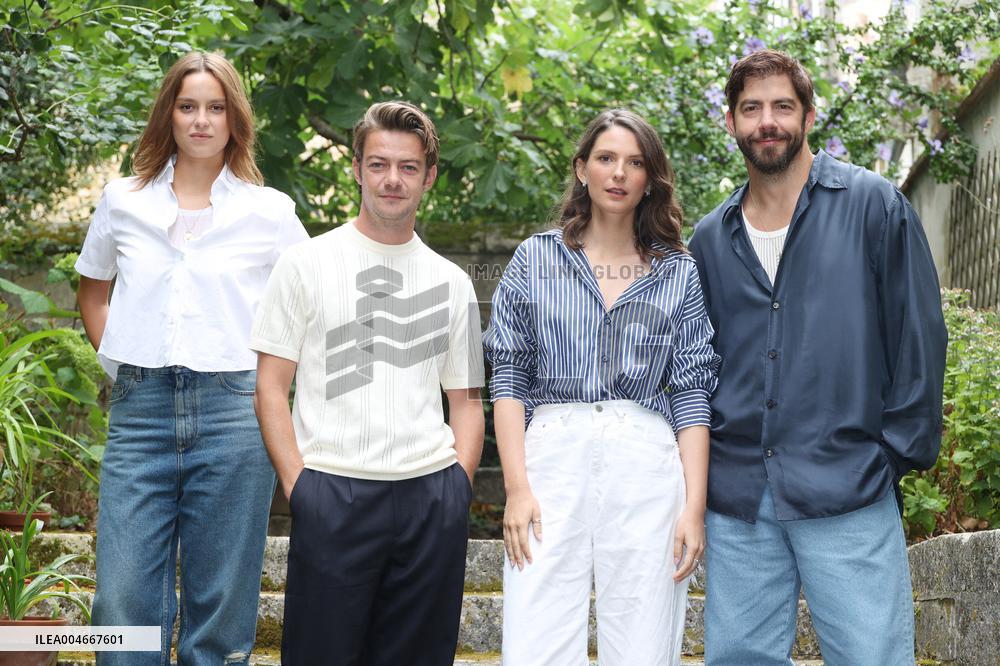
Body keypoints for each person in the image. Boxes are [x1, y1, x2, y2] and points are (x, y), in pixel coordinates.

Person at [689, 50, 948, 665]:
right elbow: (697, 364)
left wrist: (889, 456)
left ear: (808, 115)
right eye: (751, 108)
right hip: (740, 498)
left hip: (848, 484)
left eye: (782, 106)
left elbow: (918, 337)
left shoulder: (874, 206)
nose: (767, 121)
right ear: (731, 122)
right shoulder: (709, 238)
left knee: (871, 657)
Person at [75, 52, 309, 664]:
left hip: (236, 414)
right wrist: (122, 365)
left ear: (235, 119)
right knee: (120, 604)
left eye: (215, 107)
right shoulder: (122, 199)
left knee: (221, 608)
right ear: (169, 115)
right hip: (140, 412)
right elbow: (93, 290)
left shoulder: (271, 212)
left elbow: (307, 305)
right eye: (187, 107)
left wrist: (271, 383)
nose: (201, 120)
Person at [250, 100, 485, 666]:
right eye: (378, 164)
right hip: (333, 492)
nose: (392, 179)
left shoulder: (453, 282)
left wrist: (457, 488)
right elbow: (270, 387)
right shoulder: (304, 264)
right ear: (356, 168)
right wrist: (300, 487)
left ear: (429, 177)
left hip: (431, 497)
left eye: (408, 167)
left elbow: (467, 401)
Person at [484, 109, 720, 666]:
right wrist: (516, 489)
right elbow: (509, 377)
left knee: (643, 640)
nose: (618, 173)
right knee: (536, 639)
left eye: (634, 163)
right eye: (606, 158)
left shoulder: (678, 272)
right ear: (581, 168)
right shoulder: (535, 259)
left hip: (646, 461)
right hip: (551, 459)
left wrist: (694, 507)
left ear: (650, 179)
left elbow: (691, 392)